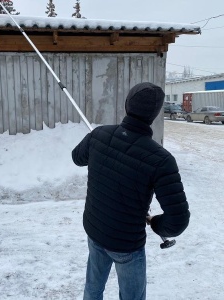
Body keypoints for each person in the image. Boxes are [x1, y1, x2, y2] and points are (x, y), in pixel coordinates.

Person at [72, 82, 190, 300]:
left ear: (127, 105)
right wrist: (155, 223)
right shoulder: (161, 159)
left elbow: (77, 157)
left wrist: (95, 140)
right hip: (124, 243)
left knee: (93, 289)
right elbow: (178, 221)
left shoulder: (100, 135)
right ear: (154, 114)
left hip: (96, 231)